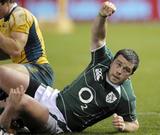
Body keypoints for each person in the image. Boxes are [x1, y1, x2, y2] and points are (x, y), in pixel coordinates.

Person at [0, 1, 139, 134]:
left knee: (20, 101)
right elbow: (98, 38)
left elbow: (134, 123)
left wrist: (125, 126)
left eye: (126, 70)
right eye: (118, 64)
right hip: (52, 96)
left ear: (130, 75)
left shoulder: (125, 96)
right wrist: (102, 16)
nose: (119, 71)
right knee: (2, 73)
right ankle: (14, 118)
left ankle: (4, 126)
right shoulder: (103, 61)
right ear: (113, 61)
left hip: (59, 121)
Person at [0, 0, 54, 100]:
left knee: (1, 74)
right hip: (23, 70)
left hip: (39, 70)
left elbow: (15, 49)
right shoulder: (3, 20)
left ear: (6, 2)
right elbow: (6, 51)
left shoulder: (20, 15)